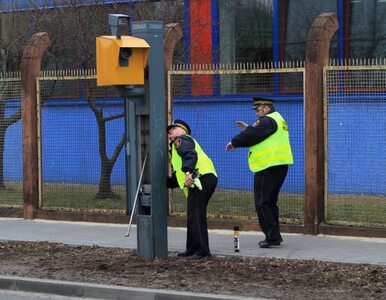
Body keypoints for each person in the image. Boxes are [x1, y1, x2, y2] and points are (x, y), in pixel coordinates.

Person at [225, 97, 293, 248]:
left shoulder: (268, 120)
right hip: (278, 165)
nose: (256, 113)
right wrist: (250, 129)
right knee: (270, 202)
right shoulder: (277, 119)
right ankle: (274, 235)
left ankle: (271, 237)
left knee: (263, 202)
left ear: (266, 108)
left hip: (268, 166)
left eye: (257, 110)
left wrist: (234, 141)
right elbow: (259, 134)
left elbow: (253, 136)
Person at [167, 119, 218, 259]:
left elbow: (190, 155)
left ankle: (202, 251)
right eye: (169, 130)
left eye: (173, 128)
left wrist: (189, 172)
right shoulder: (176, 149)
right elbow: (177, 179)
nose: (170, 131)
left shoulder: (182, 140)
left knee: (196, 215)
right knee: (193, 215)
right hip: (200, 180)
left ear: (183, 131)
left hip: (200, 178)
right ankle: (192, 249)